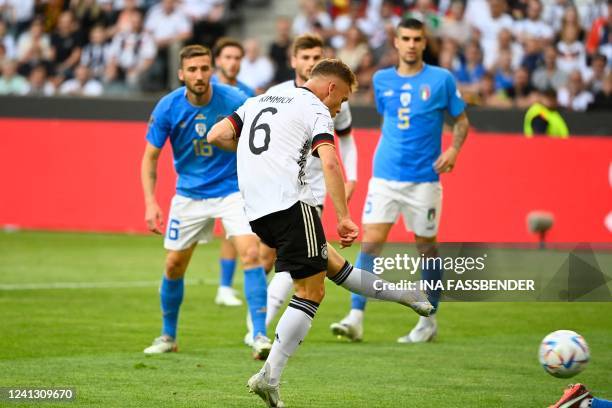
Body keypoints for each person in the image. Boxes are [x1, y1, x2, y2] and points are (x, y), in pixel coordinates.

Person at [208, 58, 433, 408]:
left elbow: (217, 134)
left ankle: (405, 295)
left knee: (336, 270)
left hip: (257, 214)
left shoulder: (260, 100)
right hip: (291, 205)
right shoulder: (315, 107)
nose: (339, 106)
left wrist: (258, 160)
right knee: (312, 293)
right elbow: (330, 161)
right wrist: (343, 216)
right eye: (341, 99)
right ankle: (270, 376)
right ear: (331, 88)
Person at [330, 17, 469, 344]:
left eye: (416, 39)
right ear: (396, 42)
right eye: (404, 38)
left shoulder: (441, 80)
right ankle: (355, 316)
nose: (410, 44)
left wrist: (454, 150)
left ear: (424, 43)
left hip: (424, 179)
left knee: (426, 248)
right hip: (385, 175)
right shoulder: (381, 80)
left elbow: (461, 122)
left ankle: (429, 319)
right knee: (371, 243)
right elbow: (388, 116)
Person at [140, 44, 271, 359]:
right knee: (173, 265)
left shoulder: (235, 100)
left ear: (211, 70)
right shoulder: (168, 107)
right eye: (193, 70)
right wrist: (150, 202)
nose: (200, 75)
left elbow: (259, 141)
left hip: (232, 190)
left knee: (251, 253)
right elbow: (150, 158)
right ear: (181, 74)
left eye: (204, 68)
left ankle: (260, 336)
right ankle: (168, 336)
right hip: (189, 195)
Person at [242, 33, 359, 345]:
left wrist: (353, 179)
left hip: (310, 191)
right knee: (271, 260)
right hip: (279, 190)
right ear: (294, 61)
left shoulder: (334, 104)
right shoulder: (277, 94)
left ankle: (261, 330)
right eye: (305, 57)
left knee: (296, 265)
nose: (309, 63)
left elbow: (345, 145)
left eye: (315, 57)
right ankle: (262, 328)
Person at [209, 37, 255, 307]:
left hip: (237, 172)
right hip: (208, 173)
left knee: (235, 230)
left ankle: (225, 287)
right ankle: (225, 286)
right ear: (217, 60)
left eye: (237, 58)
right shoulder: (207, 91)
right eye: (227, 57)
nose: (233, 63)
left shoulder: (248, 93)